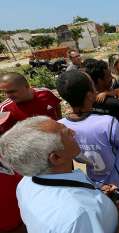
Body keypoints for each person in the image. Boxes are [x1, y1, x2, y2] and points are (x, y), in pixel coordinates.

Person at [0, 116, 119, 233]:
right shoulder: (80, 215)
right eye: (66, 132)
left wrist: (97, 194)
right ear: (56, 157)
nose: (74, 132)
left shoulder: (25, 184)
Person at [0, 72, 61, 233]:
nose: (9, 96)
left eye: (12, 91)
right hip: (35, 162)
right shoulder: (6, 108)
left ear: (27, 86)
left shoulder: (46, 94)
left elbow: (57, 108)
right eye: (5, 92)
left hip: (59, 151)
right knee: (47, 192)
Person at [56, 70, 119, 190]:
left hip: (94, 180)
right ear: (89, 94)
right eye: (93, 85)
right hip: (118, 179)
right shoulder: (107, 123)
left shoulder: (59, 126)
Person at [83, 59, 119, 128]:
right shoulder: (115, 104)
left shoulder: (86, 102)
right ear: (100, 81)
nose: (112, 78)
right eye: (108, 76)